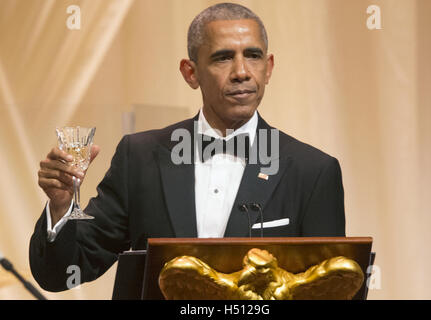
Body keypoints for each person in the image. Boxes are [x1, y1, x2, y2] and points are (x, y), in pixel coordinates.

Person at [30, 3, 345, 292]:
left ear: (269, 67)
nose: (241, 72)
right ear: (190, 72)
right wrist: (62, 208)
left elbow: (331, 288)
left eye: (253, 55)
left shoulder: (313, 172)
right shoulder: (139, 157)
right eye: (223, 57)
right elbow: (63, 273)